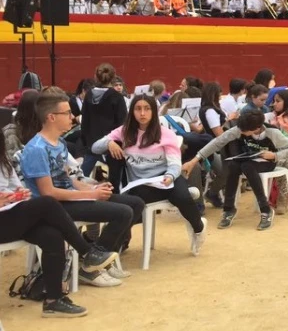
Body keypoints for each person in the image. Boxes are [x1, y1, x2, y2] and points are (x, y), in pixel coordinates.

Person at [19, 90, 143, 287]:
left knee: (135, 204)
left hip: (72, 196)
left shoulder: (58, 142)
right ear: (51, 117)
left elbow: (66, 178)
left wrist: (91, 186)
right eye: (67, 113)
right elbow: (48, 193)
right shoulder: (36, 149)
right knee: (123, 212)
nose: (72, 116)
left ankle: (93, 260)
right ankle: (90, 264)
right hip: (56, 206)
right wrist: (91, 194)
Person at [0, 137, 118, 318]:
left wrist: (19, 194)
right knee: (47, 203)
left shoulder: (3, 161)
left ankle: (53, 301)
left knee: (51, 235)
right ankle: (87, 253)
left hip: (10, 216)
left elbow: (15, 187)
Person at [92, 94, 207, 255]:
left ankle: (199, 228)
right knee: (134, 203)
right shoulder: (124, 131)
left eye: (147, 109)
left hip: (166, 178)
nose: (142, 113)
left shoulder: (165, 134)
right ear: (132, 111)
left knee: (181, 197)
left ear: (154, 111)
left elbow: (174, 163)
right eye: (138, 109)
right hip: (140, 184)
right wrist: (109, 142)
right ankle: (111, 247)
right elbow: (95, 147)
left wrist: (170, 176)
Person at [182, 110, 288, 230]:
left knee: (247, 166)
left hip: (266, 161)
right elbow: (217, 143)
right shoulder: (240, 129)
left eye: (243, 131)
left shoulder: (272, 132)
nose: (240, 132)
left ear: (256, 128)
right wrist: (194, 160)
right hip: (247, 160)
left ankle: (266, 210)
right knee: (233, 166)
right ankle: (228, 210)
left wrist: (274, 156)